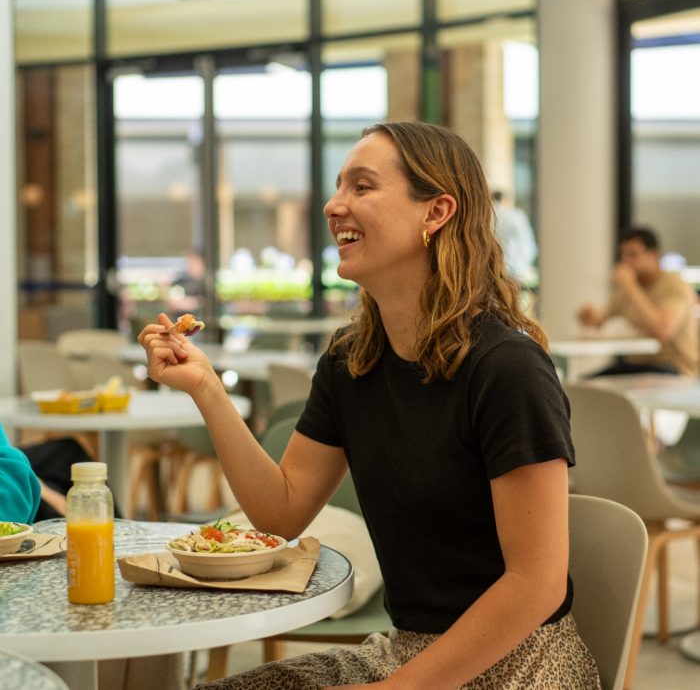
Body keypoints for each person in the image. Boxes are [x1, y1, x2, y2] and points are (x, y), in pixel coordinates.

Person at [139, 121, 600, 689]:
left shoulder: (507, 369)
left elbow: (537, 584)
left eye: (362, 186)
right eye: (339, 187)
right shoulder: (351, 360)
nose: (334, 206)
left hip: (519, 667)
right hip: (401, 654)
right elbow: (280, 514)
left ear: (436, 213)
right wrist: (207, 389)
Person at [577, 227, 698, 376]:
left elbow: (663, 329)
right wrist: (589, 316)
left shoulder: (674, 285)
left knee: (606, 387)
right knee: (586, 384)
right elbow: (601, 319)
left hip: (674, 368)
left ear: (653, 255)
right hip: (638, 365)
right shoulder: (628, 287)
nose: (626, 261)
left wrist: (630, 287)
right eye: (623, 255)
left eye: (633, 255)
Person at [492, 189, 538, 283]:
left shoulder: (487, 216)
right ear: (504, 199)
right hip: (514, 270)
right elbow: (528, 243)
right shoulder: (515, 216)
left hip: (492, 269)